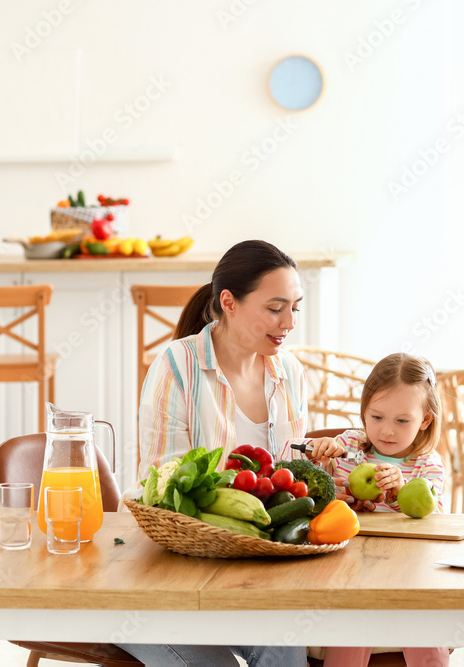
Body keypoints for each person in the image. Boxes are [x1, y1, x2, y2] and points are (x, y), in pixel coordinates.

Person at [120, 239, 331, 667]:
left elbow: (293, 480)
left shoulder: (289, 372)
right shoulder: (176, 367)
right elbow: (163, 490)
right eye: (275, 308)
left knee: (286, 648)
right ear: (229, 303)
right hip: (169, 577)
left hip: (254, 574)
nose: (289, 322)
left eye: (296, 307)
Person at [306, 352, 448, 667]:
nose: (386, 431)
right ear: (364, 412)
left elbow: (435, 519)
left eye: (402, 421)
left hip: (409, 570)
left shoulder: (427, 464)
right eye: (377, 417)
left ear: (424, 420)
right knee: (354, 624)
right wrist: (322, 465)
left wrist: (400, 493)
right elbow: (316, 496)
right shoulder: (351, 446)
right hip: (352, 569)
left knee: (425, 630)